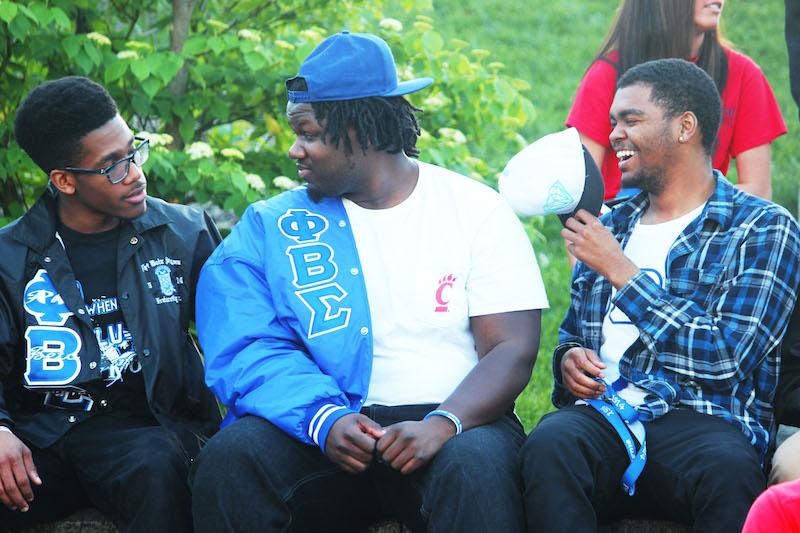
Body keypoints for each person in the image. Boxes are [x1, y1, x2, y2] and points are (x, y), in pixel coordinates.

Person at [190, 31, 547, 533]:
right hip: (321, 425)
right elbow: (246, 344)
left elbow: (512, 348)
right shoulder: (271, 226)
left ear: (359, 128)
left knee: (478, 469)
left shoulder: (474, 209)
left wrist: (442, 424)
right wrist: (323, 420)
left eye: (308, 133)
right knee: (232, 459)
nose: (295, 150)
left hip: (454, 425)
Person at [516, 59, 800, 532]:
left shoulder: (762, 226)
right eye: (613, 123)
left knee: (727, 470)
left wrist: (622, 272)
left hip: (708, 419)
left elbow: (725, 358)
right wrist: (569, 361)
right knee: (549, 445)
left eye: (631, 120)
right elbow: (572, 336)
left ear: (685, 126)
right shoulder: (611, 223)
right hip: (605, 414)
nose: (615, 136)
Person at [0, 76, 222, 532]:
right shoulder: (10, 257)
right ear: (64, 180)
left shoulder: (183, 235)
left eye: (133, 151)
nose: (135, 172)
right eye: (112, 166)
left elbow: (245, 337)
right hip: (43, 436)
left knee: (158, 467)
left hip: (147, 433)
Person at [568, 0, 786, 200]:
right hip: (617, 230)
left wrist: (678, 215)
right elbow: (580, 190)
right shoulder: (606, 74)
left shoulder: (742, 73)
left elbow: (758, 190)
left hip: (705, 233)